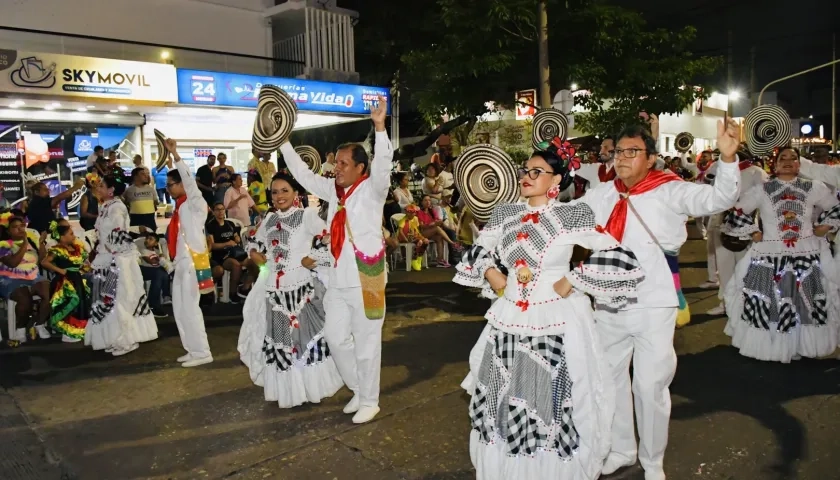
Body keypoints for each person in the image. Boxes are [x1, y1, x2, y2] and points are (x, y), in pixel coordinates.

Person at [455, 141, 644, 480]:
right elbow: (476, 250)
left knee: (543, 398)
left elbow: (619, 255)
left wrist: (574, 277)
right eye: (525, 170)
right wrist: (490, 270)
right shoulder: (506, 214)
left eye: (536, 172)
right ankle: (508, 467)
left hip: (552, 320)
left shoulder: (571, 215)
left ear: (556, 180)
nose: (527, 177)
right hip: (509, 317)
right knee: (501, 393)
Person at [575, 120, 741, 480]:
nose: (622, 158)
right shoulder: (602, 194)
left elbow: (718, 199)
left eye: (632, 151)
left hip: (654, 302)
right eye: (618, 151)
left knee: (649, 386)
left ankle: (652, 463)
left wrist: (728, 159)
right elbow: (567, 220)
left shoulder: (670, 189)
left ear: (650, 158)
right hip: (607, 304)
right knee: (610, 381)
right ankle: (621, 449)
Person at [279, 96, 391, 424]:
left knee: (368, 341)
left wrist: (380, 128)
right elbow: (302, 173)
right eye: (336, 163)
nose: (337, 168)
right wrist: (283, 140)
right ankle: (359, 389)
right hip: (338, 279)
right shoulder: (333, 192)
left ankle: (371, 400)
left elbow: (383, 166)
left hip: (367, 276)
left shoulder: (372, 191)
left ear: (360, 168)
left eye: (344, 164)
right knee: (334, 336)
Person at [722, 147, 840, 363]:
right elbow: (736, 212)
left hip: (806, 252)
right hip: (770, 253)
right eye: (782, 158)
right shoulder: (762, 189)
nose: (787, 162)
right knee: (773, 301)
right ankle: (774, 346)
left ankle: (801, 345)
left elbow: (836, 207)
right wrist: (753, 231)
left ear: (799, 164)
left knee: (804, 302)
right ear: (774, 165)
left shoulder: (814, 187)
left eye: (793, 158)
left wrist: (825, 226)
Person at [238, 172, 344, 407]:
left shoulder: (307, 216)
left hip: (302, 289)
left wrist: (314, 257)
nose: (279, 196)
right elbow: (255, 241)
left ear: (296, 193)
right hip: (274, 292)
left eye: (285, 190)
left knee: (305, 340)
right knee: (282, 341)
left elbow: (332, 238)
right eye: (275, 192)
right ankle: (290, 393)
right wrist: (255, 253)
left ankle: (310, 389)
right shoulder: (269, 219)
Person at [87, 175, 158, 356]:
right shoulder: (104, 206)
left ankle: (126, 340)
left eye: (102, 185)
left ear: (111, 190)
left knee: (120, 299)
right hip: (106, 257)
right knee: (107, 299)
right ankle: (113, 338)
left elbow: (119, 233)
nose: (98, 188)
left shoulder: (117, 207)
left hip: (117, 260)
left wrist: (112, 252)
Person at [165, 139, 214, 367]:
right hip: (180, 262)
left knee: (191, 309)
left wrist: (176, 155)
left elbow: (189, 183)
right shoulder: (180, 207)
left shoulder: (196, 204)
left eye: (171, 184)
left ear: (182, 184)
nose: (168, 188)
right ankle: (192, 349)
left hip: (193, 262)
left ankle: (203, 352)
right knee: (180, 309)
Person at [706, 154, 768, 315]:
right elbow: (709, 189)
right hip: (722, 224)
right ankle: (725, 305)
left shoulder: (756, 172)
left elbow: (764, 201)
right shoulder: (718, 168)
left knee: (744, 269)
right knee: (724, 268)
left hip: (747, 229)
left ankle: (745, 306)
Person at [0, 216, 51, 343]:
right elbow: (13, 263)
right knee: (25, 299)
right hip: (11, 279)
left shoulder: (31, 242)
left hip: (33, 277)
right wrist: (24, 244)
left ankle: (39, 324)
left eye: (21, 226)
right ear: (9, 231)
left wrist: (41, 243)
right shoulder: (4, 245)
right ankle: (20, 329)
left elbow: (41, 259)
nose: (19, 229)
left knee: (50, 292)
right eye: (15, 227)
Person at [40, 221, 91, 343]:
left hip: (77, 279)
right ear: (62, 237)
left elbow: (82, 264)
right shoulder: (57, 250)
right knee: (68, 303)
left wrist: (85, 269)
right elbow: (44, 262)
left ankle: (77, 329)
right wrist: (60, 270)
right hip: (65, 281)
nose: (74, 236)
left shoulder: (77, 248)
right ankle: (67, 332)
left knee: (80, 304)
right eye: (71, 234)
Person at [206, 201, 244, 304]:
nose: (220, 212)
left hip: (233, 253)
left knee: (251, 263)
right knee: (236, 265)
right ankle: (232, 294)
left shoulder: (230, 224)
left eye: (222, 209)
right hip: (220, 255)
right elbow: (212, 245)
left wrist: (237, 238)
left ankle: (245, 288)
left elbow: (237, 236)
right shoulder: (211, 226)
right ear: (213, 212)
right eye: (217, 209)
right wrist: (227, 243)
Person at [138, 233, 171, 318]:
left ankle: (161, 299)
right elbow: (151, 262)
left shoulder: (157, 252)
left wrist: (162, 257)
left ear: (156, 243)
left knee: (162, 272)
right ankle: (158, 301)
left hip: (155, 272)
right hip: (143, 270)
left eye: (151, 239)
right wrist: (160, 259)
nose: (147, 240)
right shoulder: (143, 250)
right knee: (159, 273)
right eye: (147, 238)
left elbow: (161, 262)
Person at [123, 167, 159, 232]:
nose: (146, 176)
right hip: (136, 222)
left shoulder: (151, 189)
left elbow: (155, 203)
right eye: (142, 174)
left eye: (146, 174)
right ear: (135, 177)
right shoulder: (128, 190)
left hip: (150, 221)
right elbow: (125, 203)